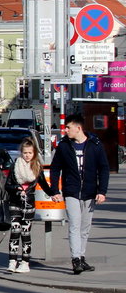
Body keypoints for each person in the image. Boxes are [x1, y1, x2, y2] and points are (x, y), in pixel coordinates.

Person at [48, 114, 111, 275]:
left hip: (90, 192)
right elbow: (55, 168)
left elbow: (104, 168)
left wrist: (102, 191)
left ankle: (81, 257)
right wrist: (55, 190)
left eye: (68, 127)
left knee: (85, 227)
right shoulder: (64, 146)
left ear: (78, 128)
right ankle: (75, 259)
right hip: (71, 191)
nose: (65, 130)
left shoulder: (95, 145)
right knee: (74, 225)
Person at [4, 138, 50, 274]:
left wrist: (54, 194)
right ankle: (12, 261)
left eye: (30, 153)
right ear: (21, 153)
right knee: (15, 231)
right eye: (25, 153)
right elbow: (7, 185)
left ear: (34, 153)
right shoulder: (15, 166)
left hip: (29, 203)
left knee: (25, 233)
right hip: (15, 202)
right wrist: (16, 188)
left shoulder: (37, 167)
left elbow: (43, 184)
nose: (27, 155)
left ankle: (25, 262)